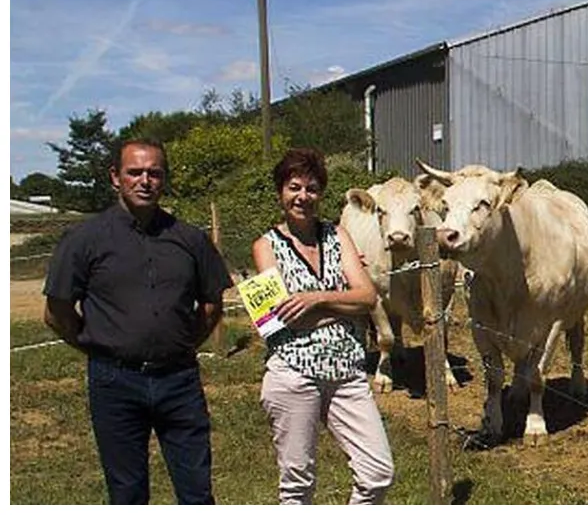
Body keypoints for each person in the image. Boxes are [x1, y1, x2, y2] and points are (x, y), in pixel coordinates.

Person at [43, 138, 231, 504]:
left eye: (154, 173)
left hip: (179, 381)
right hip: (115, 384)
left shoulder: (189, 239)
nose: (145, 180)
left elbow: (211, 304)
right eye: (135, 172)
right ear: (116, 177)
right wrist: (97, 347)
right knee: (127, 493)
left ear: (164, 180)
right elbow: (57, 313)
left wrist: (182, 345)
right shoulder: (84, 240)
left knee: (196, 491)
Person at [253, 147, 394, 505]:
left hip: (347, 373)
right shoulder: (264, 247)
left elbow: (368, 297)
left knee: (377, 472)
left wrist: (315, 298)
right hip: (293, 374)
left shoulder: (338, 235)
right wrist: (345, 303)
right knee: (297, 483)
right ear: (280, 191)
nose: (303, 196)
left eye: (312, 188)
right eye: (294, 187)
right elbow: (273, 319)